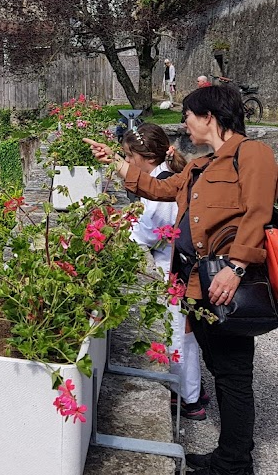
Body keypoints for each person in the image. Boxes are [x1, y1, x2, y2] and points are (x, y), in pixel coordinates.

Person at [85, 84, 278, 475]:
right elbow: (156, 188)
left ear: (209, 117)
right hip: (196, 284)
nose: (184, 124)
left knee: (233, 375)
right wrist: (115, 162)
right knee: (220, 369)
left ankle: (236, 463)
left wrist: (237, 266)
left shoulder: (252, 154)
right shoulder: (200, 165)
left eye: (188, 115)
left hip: (227, 283)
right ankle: (229, 455)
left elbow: (258, 213)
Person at [120, 124, 206, 419]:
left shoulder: (161, 184)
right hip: (175, 265)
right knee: (183, 334)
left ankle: (189, 399)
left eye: (128, 157)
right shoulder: (163, 177)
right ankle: (193, 390)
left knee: (179, 336)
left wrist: (124, 228)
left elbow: (147, 234)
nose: (128, 163)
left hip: (171, 269)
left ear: (144, 157)